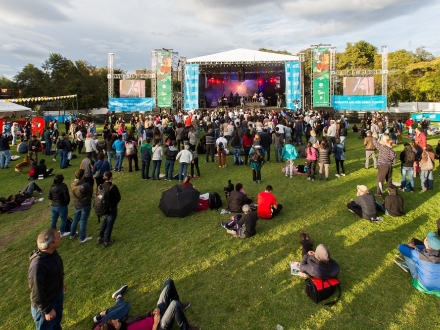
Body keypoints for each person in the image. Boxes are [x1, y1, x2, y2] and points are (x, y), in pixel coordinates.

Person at [92, 279, 200, 330]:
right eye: (114, 323)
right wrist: (156, 323)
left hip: (155, 316)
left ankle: (179, 309)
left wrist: (154, 311)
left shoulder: (124, 322)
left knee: (169, 283)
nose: (116, 320)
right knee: (174, 304)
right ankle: (185, 327)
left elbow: (142, 319)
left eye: (114, 320)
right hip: (160, 326)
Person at [28, 229, 66, 330]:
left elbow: (57, 267)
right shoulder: (37, 266)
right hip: (46, 304)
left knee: (56, 323)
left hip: (57, 295)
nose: (61, 238)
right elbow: (36, 294)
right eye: (58, 238)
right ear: (51, 244)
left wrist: (60, 283)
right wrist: (47, 310)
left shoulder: (52, 252)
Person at [97, 171, 121, 247]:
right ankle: (107, 240)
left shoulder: (100, 186)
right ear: (111, 177)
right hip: (111, 208)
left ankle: (100, 236)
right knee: (110, 224)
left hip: (102, 208)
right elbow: (118, 198)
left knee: (105, 221)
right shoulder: (113, 187)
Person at [70, 169, 93, 243]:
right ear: (83, 176)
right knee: (83, 221)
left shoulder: (72, 184)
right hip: (84, 204)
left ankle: (72, 234)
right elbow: (91, 191)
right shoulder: (84, 185)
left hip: (77, 204)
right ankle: (82, 238)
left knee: (75, 219)